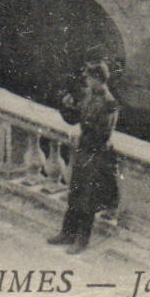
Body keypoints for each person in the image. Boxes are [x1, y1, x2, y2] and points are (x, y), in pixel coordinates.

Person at [48, 60, 120, 253]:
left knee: (88, 199)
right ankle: (67, 232)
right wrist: (66, 106)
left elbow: (103, 133)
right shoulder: (89, 95)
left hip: (96, 155)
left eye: (88, 77)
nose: (85, 80)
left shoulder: (109, 103)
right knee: (75, 193)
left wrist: (85, 128)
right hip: (84, 151)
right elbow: (74, 119)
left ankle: (82, 240)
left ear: (97, 78)